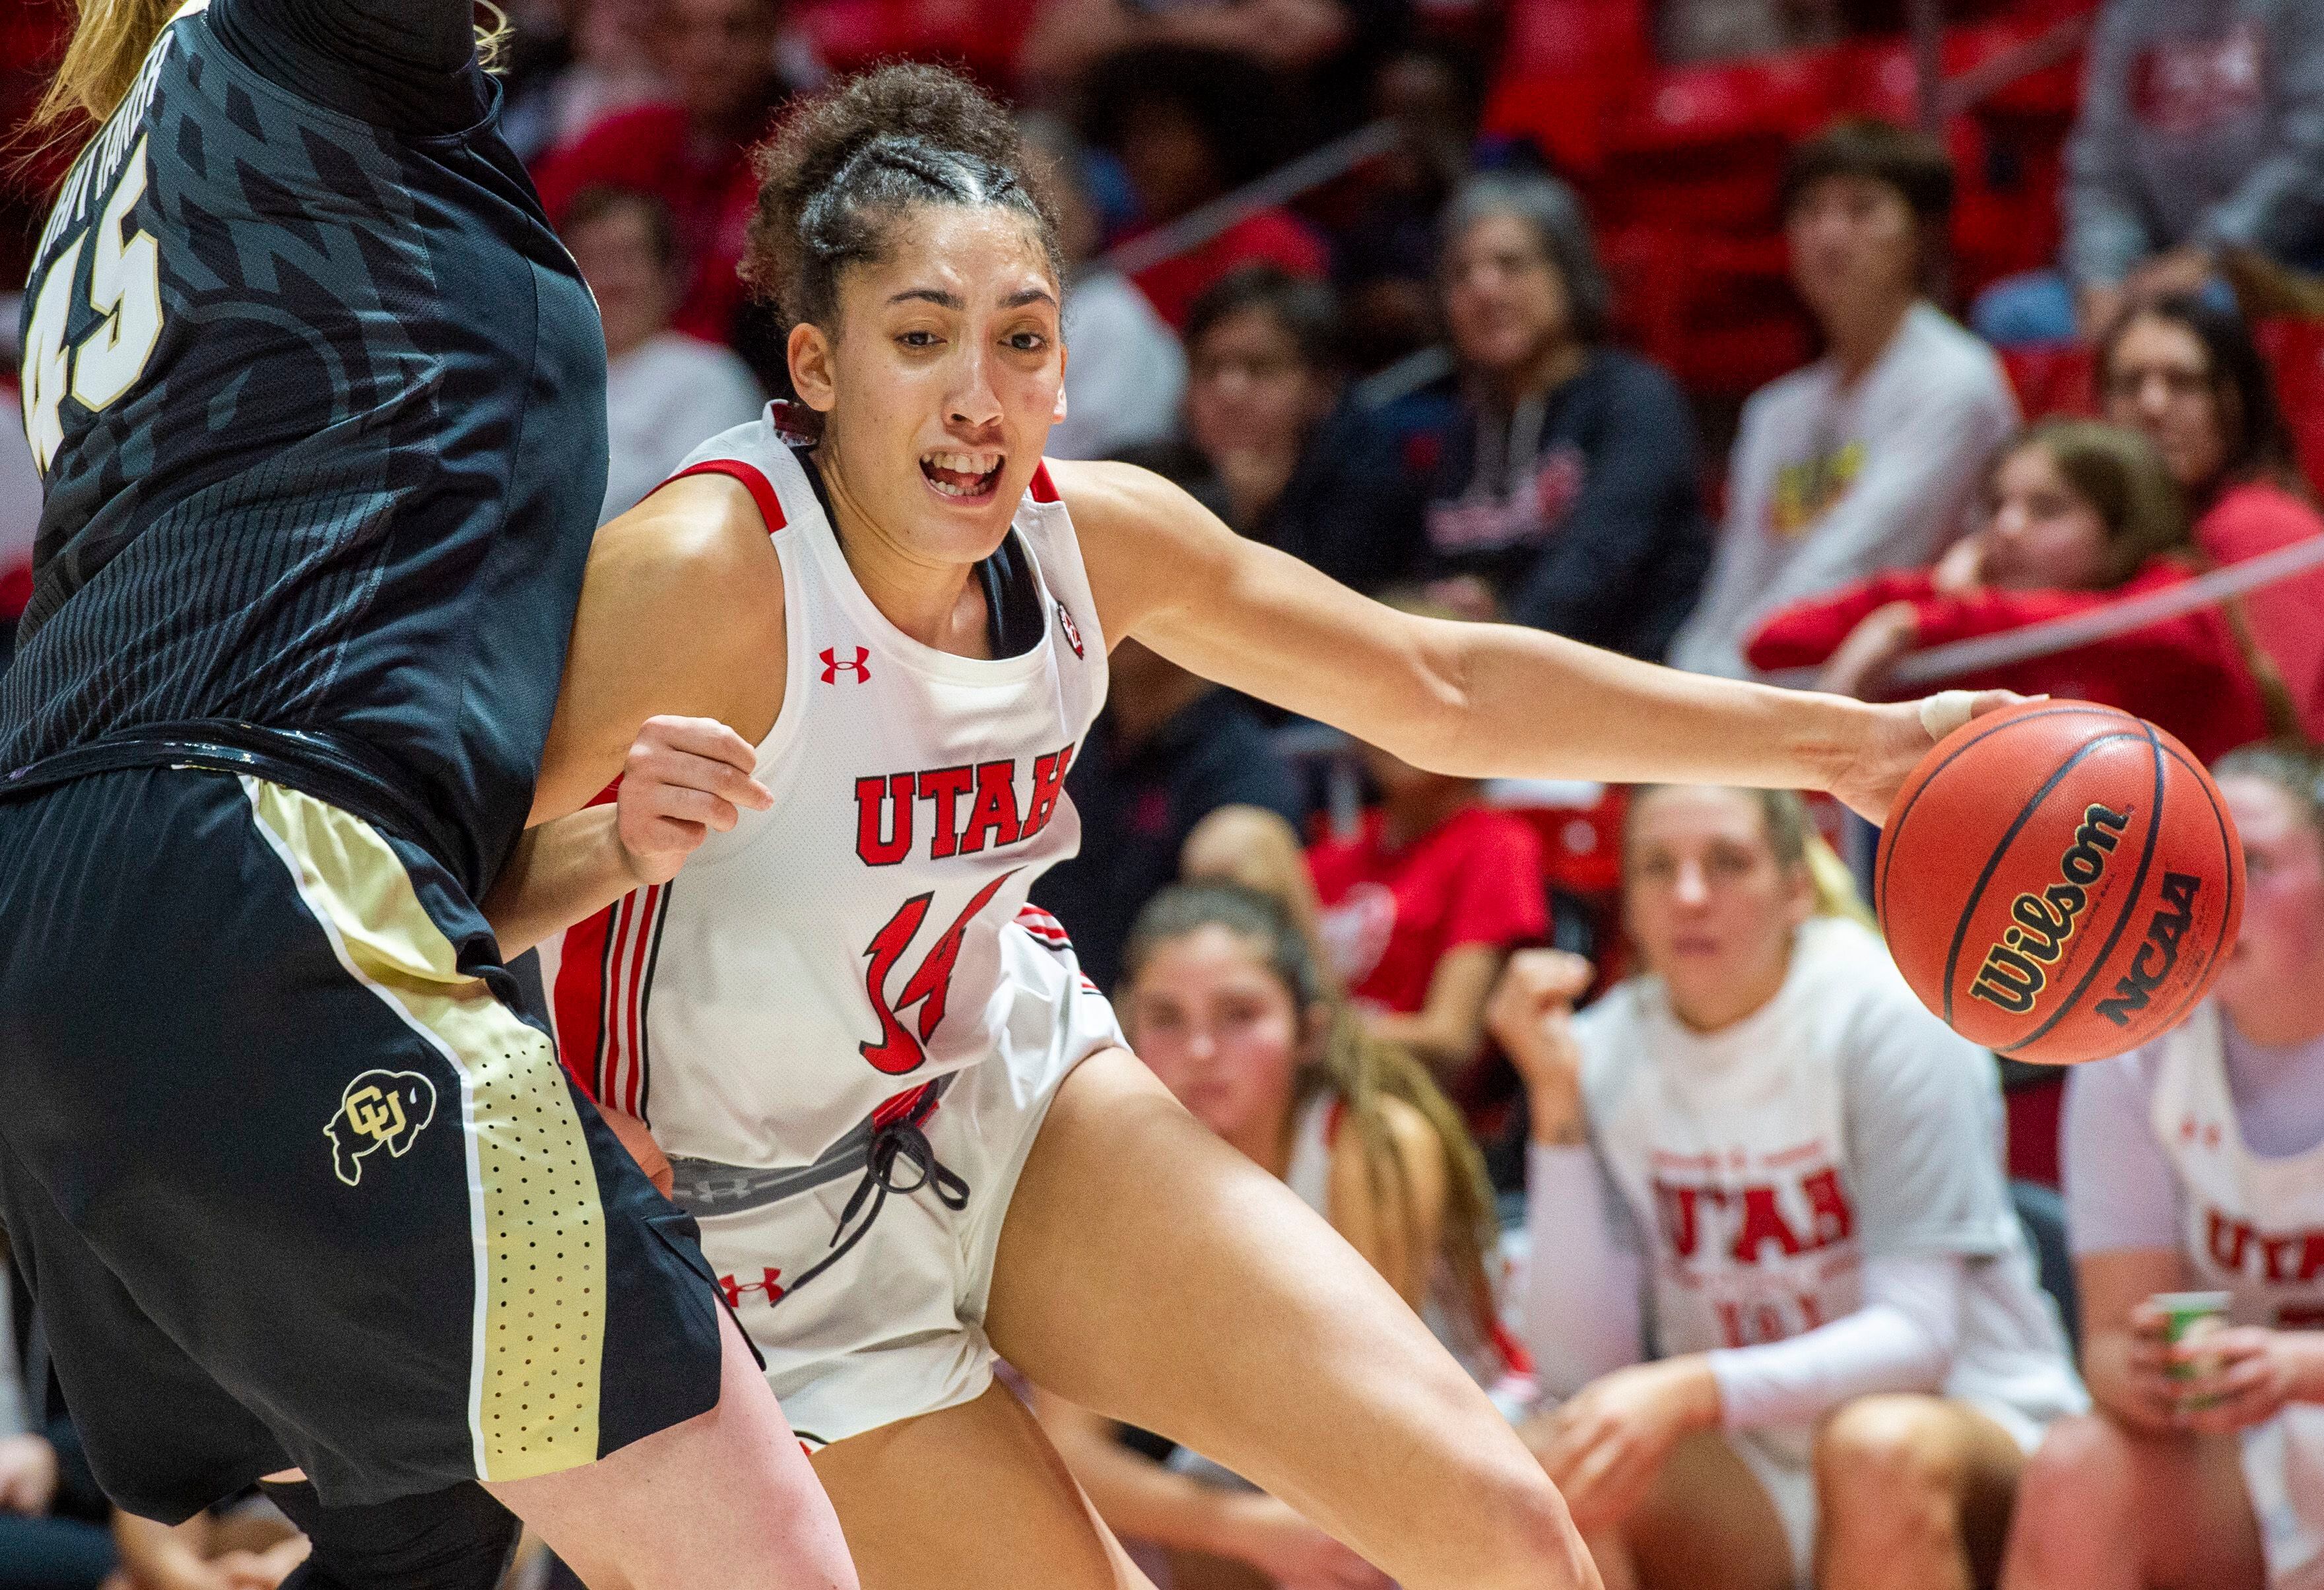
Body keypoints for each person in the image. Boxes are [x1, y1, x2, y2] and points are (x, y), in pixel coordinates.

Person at [489, 61, 2015, 1589]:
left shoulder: (1098, 541)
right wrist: (607, 852)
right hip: (739, 1230)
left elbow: (1442, 686)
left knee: (1498, 1523)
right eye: (918, 339)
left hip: (1004, 1091)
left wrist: (1848, 748)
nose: (978, 396)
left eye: (1021, 339)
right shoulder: (700, 574)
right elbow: (375, 897)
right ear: (815, 367)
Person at [0, 5, 853, 1587]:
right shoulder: (300, 50)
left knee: (429, 1531)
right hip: (241, 877)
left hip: (111, 904)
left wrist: (603, 844)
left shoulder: (160, 145)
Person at [1488, 786, 2084, 1590]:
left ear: (1796, 887)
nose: (1689, 896)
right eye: (1657, 869)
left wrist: (1696, 1389)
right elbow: (1580, 1372)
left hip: (1966, 1421)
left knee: (1873, 1450)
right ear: (1625, 903)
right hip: (1756, 1458)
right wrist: (1556, 1113)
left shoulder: (1883, 1017)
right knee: (1555, 1467)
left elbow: (1917, 1337)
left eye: (1727, 863)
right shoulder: (1603, 1048)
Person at [1037, 881, 1525, 1588]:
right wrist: (1243, 1530)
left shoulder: (1371, 1145)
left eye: (1239, 1015)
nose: (1201, 1049)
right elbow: (1072, 1449)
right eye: (1166, 1017)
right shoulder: (1109, 1178)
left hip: (1448, 1442)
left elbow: (1367, 1418)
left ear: (1311, 1031)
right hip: (1264, 1470)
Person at [2000, 740, 2324, 1590]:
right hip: (2239, 1445)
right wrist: (2147, 1376)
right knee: (2076, 1465)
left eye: (2250, 864)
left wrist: (2297, 1368)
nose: (2212, 896)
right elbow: (2107, 1344)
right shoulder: (2131, 1048)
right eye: (2195, 867)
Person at [1670, 120, 2020, 681]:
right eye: (1809, 212)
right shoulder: (1775, 410)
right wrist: (1682, 683)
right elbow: (1735, 582)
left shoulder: (1955, 381)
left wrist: (1716, 694)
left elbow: (1857, 563)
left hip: (1901, 688)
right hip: (1764, 681)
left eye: (1861, 210)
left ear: (1922, 236)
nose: (1829, 235)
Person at [1746, 419, 2287, 764]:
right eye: (1997, 506)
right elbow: (1772, 643)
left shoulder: (2179, 596)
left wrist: (1922, 622)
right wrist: (1932, 592)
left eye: (2047, 509)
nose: (2005, 528)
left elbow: (2127, 627)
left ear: (2123, 528)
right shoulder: (1987, 617)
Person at [1423, 171, 1712, 661]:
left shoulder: (1635, 400)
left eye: (1510, 264)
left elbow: (1599, 571)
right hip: (1498, 694)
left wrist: (1495, 637)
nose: (1484, 289)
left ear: (1569, 272)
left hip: (1639, 688)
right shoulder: (1467, 428)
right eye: (1460, 273)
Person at [1972, 0, 2324, 348]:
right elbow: (2102, 171)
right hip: (2148, 270)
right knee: (2008, 317)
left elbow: (2308, 158)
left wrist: (2207, 255)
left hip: (2278, 263)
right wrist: (2102, 280)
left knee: (2212, 319)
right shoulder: (2130, 12)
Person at [1030, 634, 1306, 995]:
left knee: (1239, 847)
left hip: (1157, 1031)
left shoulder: (1238, 766)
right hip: (1028, 1007)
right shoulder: (1060, 734)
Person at [533, 0, 814, 355]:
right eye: (685, 31)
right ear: (660, 40)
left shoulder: (811, 152)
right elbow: (519, 232)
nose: (709, 55)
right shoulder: (624, 138)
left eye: (736, 30)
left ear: (776, 35)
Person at [2100, 296, 2324, 736]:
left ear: (2237, 399)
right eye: (2128, 383)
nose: (2152, 405)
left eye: (2183, 382)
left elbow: (2276, 725)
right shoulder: (2123, 531)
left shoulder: (2261, 524)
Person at [1157, 265, 1424, 594]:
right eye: (1209, 367)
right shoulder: (1153, 475)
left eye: (1259, 367)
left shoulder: (1371, 487)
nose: (1228, 391)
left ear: (1321, 387)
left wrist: (1255, 518)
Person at [1079, 45, 1331, 329]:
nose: (1141, 156)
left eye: (1161, 133)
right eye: (1130, 138)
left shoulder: (1274, 243)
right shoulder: (1127, 255)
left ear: (1212, 139)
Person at [563, 185, 767, 524]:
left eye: (628, 259)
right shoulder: (534, 381)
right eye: (592, 261)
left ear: (671, 277)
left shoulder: (708, 377)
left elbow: (704, 511)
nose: (611, 281)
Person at [1022, 118, 1186, 465]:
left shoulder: (1113, 317)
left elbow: (1098, 468)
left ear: (1086, 216)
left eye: (1040, 206)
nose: (1021, 229)